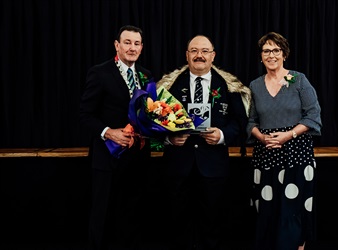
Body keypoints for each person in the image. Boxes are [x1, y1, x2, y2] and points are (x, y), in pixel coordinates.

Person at [156, 35, 251, 250]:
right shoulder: (169, 86)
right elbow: (153, 123)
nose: (200, 55)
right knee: (177, 222)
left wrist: (223, 135)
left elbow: (240, 122)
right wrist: (169, 138)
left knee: (212, 222)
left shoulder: (229, 86)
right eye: (194, 51)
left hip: (213, 165)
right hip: (178, 165)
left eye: (205, 51)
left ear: (213, 55)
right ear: (187, 55)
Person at [79, 25, 154, 250]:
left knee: (132, 213)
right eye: (128, 43)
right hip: (107, 158)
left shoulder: (146, 75)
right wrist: (108, 132)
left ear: (141, 47)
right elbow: (85, 115)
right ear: (117, 45)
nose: (132, 48)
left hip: (138, 157)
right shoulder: (100, 72)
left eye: (137, 43)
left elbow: (149, 113)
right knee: (103, 213)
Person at [246, 31, 322, 250]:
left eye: (276, 50)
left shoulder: (299, 80)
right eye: (266, 50)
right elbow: (250, 121)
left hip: (296, 154)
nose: (271, 55)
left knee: (293, 209)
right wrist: (261, 137)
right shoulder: (254, 86)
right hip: (266, 155)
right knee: (269, 211)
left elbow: (313, 116)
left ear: (284, 54)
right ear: (261, 56)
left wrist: (288, 136)